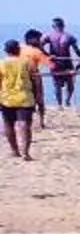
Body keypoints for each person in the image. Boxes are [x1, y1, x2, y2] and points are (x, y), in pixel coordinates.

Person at [0, 31, 37, 160]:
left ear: (6, 51)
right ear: (18, 50)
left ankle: (15, 150)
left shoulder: (2, 63)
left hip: (6, 98)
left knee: (8, 124)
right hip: (25, 97)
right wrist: (38, 96)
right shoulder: (27, 63)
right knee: (25, 125)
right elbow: (35, 80)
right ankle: (25, 152)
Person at [42, 19, 78, 111]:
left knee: (61, 84)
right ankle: (64, 102)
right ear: (63, 25)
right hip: (60, 63)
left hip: (60, 62)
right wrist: (48, 55)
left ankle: (62, 103)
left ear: (53, 26)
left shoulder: (66, 36)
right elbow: (77, 50)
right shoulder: (52, 36)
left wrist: (47, 55)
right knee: (67, 84)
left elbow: (39, 46)